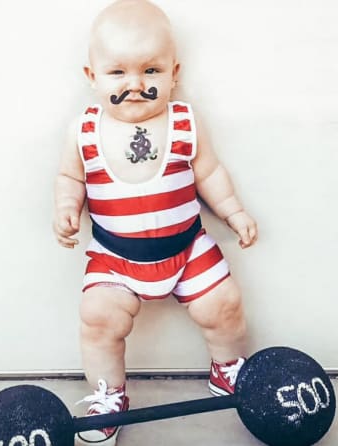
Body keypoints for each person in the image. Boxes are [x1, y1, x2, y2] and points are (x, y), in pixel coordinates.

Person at [53, 0, 258, 444]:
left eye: (151, 71)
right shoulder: (84, 130)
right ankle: (110, 396)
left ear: (173, 72)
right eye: (118, 73)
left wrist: (234, 212)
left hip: (188, 247)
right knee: (98, 319)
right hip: (114, 257)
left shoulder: (185, 121)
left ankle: (228, 370)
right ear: (91, 77)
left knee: (223, 304)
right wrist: (67, 207)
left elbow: (210, 174)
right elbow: (71, 176)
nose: (135, 84)